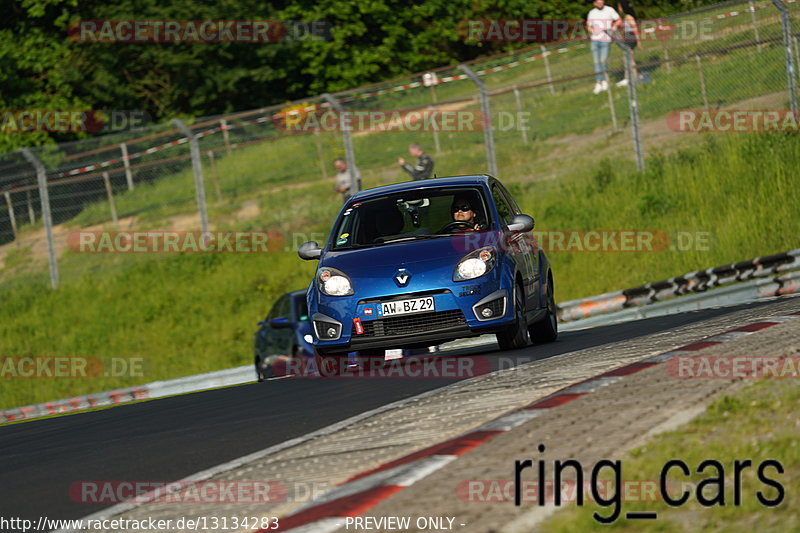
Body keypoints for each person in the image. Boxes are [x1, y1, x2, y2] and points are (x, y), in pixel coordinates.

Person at [586, 0, 622, 94]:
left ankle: (605, 81)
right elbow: (588, 26)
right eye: (598, 1)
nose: (601, 2)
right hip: (594, 40)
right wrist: (592, 31)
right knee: (596, 62)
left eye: (602, 1)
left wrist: (613, 28)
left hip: (606, 39)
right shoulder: (592, 13)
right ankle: (598, 83)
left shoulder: (609, 10)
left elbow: (619, 20)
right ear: (594, 3)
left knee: (603, 60)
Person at [616, 0, 639, 87]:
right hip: (628, 38)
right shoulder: (625, 17)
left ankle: (631, 78)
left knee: (628, 59)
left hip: (631, 39)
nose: (618, 8)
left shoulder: (629, 17)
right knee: (628, 58)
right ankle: (631, 77)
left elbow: (634, 28)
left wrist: (639, 41)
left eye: (619, 6)